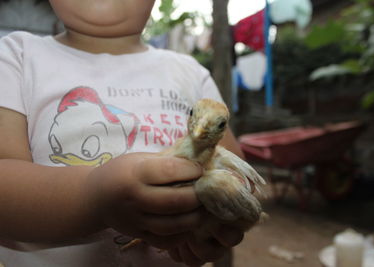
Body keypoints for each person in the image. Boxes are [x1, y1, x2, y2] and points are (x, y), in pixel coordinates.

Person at [0, 0, 247, 266]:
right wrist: (94, 198)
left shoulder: (192, 73)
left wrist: (213, 223)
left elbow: (237, 174)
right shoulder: (15, 57)